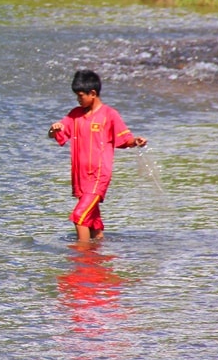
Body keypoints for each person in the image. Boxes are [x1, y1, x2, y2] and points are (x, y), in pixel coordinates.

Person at [48, 70, 146, 242]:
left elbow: (124, 139)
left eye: (80, 96)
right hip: (81, 177)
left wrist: (135, 141)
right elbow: (59, 133)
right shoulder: (75, 115)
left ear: (93, 93)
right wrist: (53, 129)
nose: (78, 100)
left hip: (98, 176)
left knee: (79, 216)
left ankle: (82, 258)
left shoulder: (109, 115)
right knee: (92, 221)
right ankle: (98, 254)